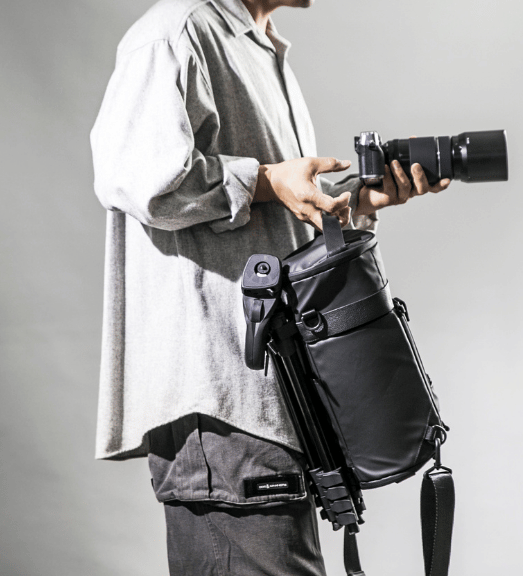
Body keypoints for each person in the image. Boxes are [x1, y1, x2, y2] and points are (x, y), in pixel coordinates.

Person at [90, 0, 450, 574]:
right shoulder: (175, 34)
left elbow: (273, 220)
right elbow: (137, 176)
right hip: (224, 406)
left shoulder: (260, 47)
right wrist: (263, 178)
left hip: (273, 405)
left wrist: (354, 203)